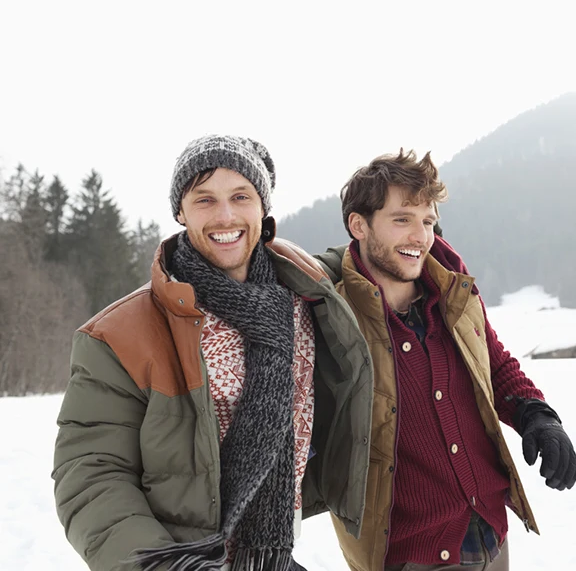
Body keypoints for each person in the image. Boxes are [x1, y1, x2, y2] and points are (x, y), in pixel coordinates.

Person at [51, 135, 373, 571]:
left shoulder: (303, 295)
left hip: (272, 554)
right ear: (180, 212)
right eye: (204, 199)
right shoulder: (119, 334)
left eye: (241, 196)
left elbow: (385, 250)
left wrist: (426, 235)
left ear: (263, 208)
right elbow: (90, 473)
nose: (225, 216)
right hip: (182, 558)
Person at [314, 149, 576, 571]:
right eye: (402, 219)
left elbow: (492, 362)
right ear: (358, 225)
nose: (420, 236)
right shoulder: (329, 319)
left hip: (490, 535)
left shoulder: (453, 294)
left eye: (428, 222)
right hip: (409, 554)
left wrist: (537, 415)